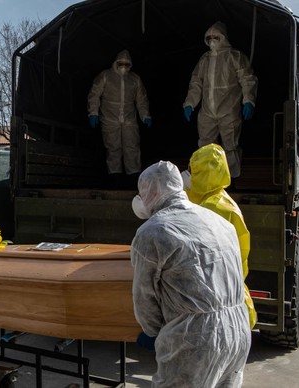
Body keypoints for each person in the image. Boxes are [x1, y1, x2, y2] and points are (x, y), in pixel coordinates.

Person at [130, 161, 251, 387]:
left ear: (150, 191)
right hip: (238, 329)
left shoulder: (151, 232)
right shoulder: (218, 221)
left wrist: (155, 331)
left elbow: (144, 297)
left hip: (195, 338)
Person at [184, 143, 257, 329]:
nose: (189, 175)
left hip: (218, 299)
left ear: (204, 174)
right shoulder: (213, 199)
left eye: (193, 170)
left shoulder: (215, 208)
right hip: (223, 295)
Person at [183, 21, 258, 179]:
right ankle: (207, 179)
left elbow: (247, 79)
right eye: (209, 37)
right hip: (207, 111)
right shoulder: (205, 59)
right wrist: (190, 103)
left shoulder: (235, 56)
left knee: (230, 146)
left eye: (215, 36)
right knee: (205, 147)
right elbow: (196, 82)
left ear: (223, 37)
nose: (212, 40)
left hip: (228, 110)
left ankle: (231, 182)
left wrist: (248, 101)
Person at [87, 49, 152, 189]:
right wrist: (93, 113)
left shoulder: (134, 79)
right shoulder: (105, 76)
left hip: (129, 120)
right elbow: (94, 94)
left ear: (130, 64)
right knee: (113, 149)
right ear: (115, 62)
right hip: (109, 119)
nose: (123, 66)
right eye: (120, 63)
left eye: (126, 64)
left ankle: (134, 179)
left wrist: (145, 115)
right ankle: (114, 180)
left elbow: (141, 100)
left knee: (132, 148)